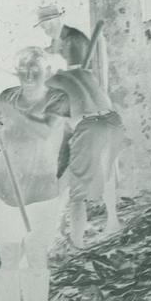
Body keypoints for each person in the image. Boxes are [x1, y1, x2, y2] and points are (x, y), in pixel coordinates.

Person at [0, 47, 70, 301]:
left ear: (46, 72)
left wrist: (10, 115)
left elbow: (44, 131)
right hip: (6, 187)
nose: (29, 76)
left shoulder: (58, 99)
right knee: (8, 257)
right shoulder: (7, 97)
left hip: (39, 192)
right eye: (24, 70)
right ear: (17, 72)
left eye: (36, 71)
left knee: (35, 254)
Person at [43, 39, 126, 248]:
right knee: (106, 173)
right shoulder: (83, 74)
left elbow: (58, 127)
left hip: (89, 125)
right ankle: (113, 222)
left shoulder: (51, 86)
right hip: (113, 121)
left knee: (77, 192)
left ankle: (77, 242)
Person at [35, 4, 109, 92]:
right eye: (44, 28)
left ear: (52, 24)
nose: (46, 32)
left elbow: (76, 76)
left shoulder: (72, 40)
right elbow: (53, 50)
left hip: (87, 87)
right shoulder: (59, 37)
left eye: (45, 27)